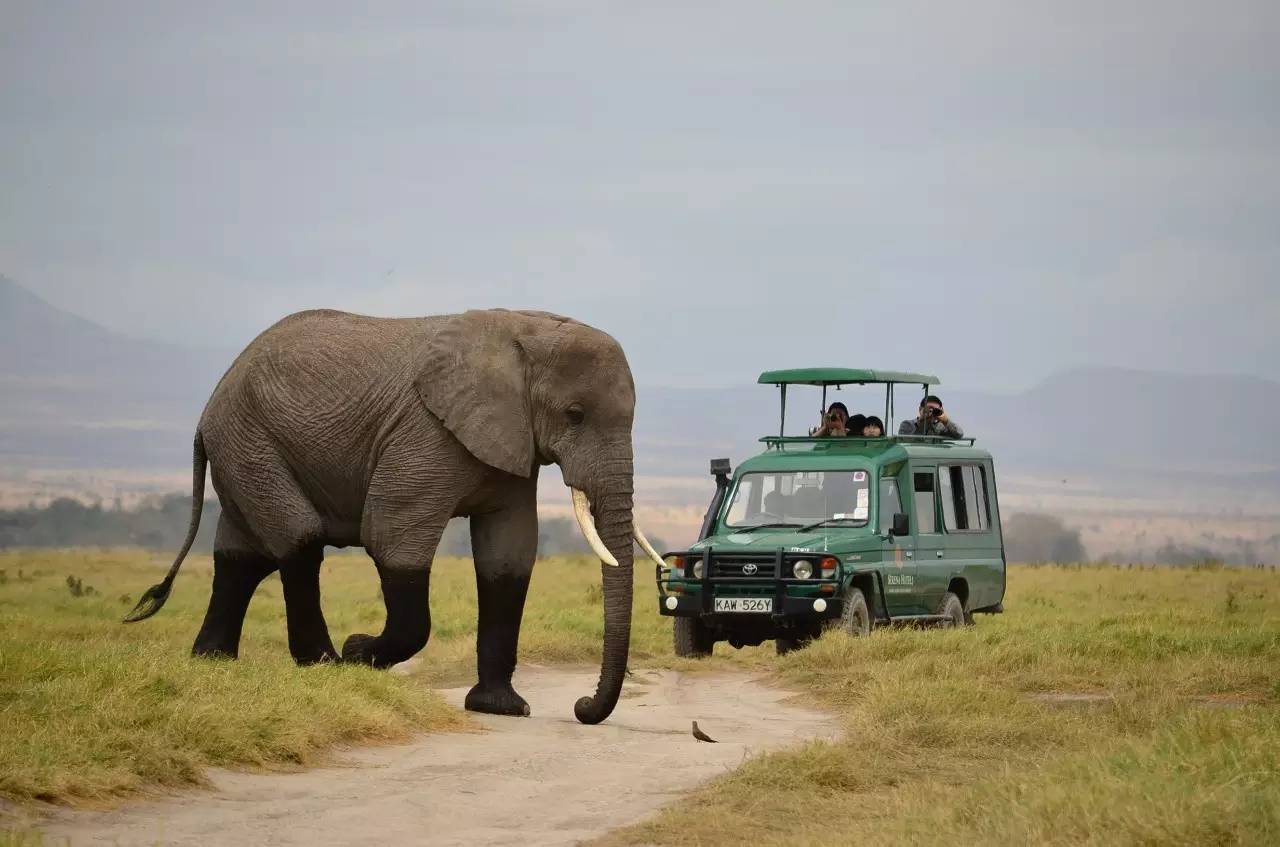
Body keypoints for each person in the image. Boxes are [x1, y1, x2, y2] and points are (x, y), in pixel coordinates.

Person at [898, 395, 963, 438]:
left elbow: (959, 434)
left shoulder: (940, 427)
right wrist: (923, 421)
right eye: (928, 408)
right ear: (920, 409)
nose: (931, 411)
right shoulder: (907, 424)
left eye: (935, 409)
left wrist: (946, 421)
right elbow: (906, 442)